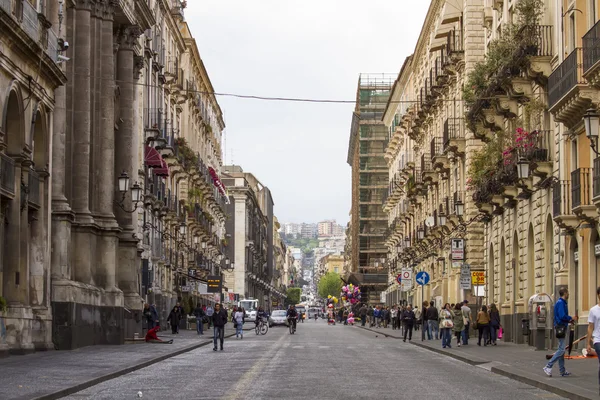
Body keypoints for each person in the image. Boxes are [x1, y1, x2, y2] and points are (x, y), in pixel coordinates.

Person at [544, 288, 577, 377]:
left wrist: (569, 321)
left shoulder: (560, 303)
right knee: (561, 349)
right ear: (565, 293)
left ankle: (562, 371)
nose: (568, 294)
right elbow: (562, 316)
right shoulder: (561, 303)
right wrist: (571, 318)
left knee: (561, 349)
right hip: (560, 327)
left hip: (560, 326)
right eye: (568, 293)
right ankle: (548, 366)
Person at [586, 287, 600, 395]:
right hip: (598, 339)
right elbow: (590, 327)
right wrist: (588, 343)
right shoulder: (593, 310)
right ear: (598, 295)